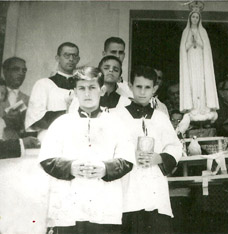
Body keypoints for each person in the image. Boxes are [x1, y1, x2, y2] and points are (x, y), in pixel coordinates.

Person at [39, 66, 134, 234]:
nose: (87, 94)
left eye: (92, 88)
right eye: (81, 88)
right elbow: (47, 159)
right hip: (68, 205)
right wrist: (70, 167)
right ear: (74, 91)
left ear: (102, 90)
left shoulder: (116, 124)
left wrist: (105, 168)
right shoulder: (62, 123)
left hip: (103, 204)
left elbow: (126, 159)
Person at [114, 66, 182, 234]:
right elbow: (111, 145)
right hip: (128, 182)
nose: (142, 92)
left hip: (154, 183)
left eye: (147, 87)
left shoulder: (160, 118)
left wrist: (159, 158)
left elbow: (174, 146)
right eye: (138, 86)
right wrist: (130, 154)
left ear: (155, 89)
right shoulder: (118, 116)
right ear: (130, 86)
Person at [25, 42, 80, 139]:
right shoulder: (43, 84)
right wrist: (69, 113)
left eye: (74, 56)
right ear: (57, 58)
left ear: (78, 60)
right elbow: (36, 119)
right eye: (67, 55)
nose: (71, 59)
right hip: (50, 137)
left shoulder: (82, 86)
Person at [179, 10, 219, 122]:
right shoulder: (186, 32)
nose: (195, 19)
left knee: (201, 84)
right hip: (191, 61)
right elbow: (183, 48)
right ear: (190, 18)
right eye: (193, 17)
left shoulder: (203, 31)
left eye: (197, 17)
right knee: (192, 83)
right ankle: (193, 108)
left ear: (199, 19)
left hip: (201, 62)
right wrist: (191, 43)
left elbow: (205, 47)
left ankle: (203, 107)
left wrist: (197, 40)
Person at [1, 57, 30, 139]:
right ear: (5, 71)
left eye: (24, 71)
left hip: (17, 148)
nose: (21, 73)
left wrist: (20, 123)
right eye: (16, 69)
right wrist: (4, 120)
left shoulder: (28, 100)